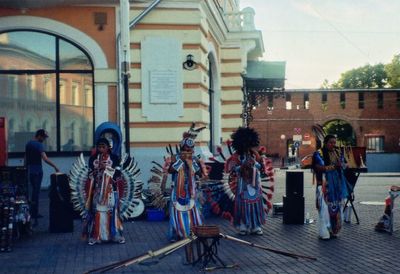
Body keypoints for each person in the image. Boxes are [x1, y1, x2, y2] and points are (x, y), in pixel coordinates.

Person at [167, 124, 207, 243]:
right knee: (176, 211)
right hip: (177, 191)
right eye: (186, 150)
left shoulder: (194, 159)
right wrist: (181, 161)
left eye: (191, 150)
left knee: (191, 211)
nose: (189, 151)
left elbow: (199, 173)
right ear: (182, 149)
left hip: (191, 191)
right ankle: (175, 233)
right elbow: (170, 171)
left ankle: (192, 230)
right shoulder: (175, 158)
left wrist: (191, 164)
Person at [225, 127, 268, 236]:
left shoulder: (255, 154)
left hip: (255, 184)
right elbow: (233, 169)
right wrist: (243, 166)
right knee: (243, 204)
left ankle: (255, 226)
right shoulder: (237, 156)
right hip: (243, 184)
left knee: (255, 203)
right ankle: (243, 226)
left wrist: (255, 164)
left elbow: (261, 168)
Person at [83, 138, 126, 245]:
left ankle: (115, 235)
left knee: (112, 211)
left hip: (111, 189)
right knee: (97, 212)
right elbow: (90, 174)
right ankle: (96, 235)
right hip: (97, 189)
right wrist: (97, 171)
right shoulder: (93, 158)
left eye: (104, 147)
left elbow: (118, 173)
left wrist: (106, 168)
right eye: (99, 147)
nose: (101, 149)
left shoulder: (114, 158)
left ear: (108, 147)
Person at [312, 134, 349, 240]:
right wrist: (334, 166)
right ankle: (324, 232)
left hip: (337, 185)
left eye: (334, 142)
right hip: (324, 185)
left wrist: (344, 165)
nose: (333, 144)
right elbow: (318, 167)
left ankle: (334, 230)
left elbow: (343, 163)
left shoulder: (338, 152)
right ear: (326, 143)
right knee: (324, 208)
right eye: (331, 142)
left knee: (337, 207)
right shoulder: (319, 153)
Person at [24, 129, 60, 227]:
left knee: (29, 193)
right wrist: (55, 166)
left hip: (29, 171)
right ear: (39, 136)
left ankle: (30, 213)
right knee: (36, 193)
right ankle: (34, 215)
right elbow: (45, 158)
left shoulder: (28, 144)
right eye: (43, 137)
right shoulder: (39, 145)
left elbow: (25, 158)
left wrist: (25, 169)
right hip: (37, 172)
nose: (44, 139)